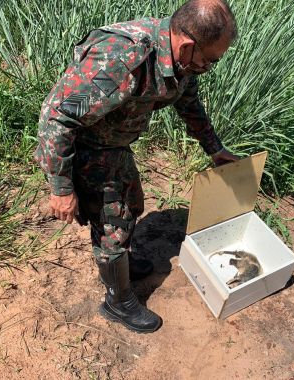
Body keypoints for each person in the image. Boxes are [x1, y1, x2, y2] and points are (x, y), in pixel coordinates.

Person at [35, 0, 239, 333]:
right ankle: (118, 301)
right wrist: (61, 186)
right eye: (211, 59)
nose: (210, 66)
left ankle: (121, 266)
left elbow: (188, 103)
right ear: (187, 45)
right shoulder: (123, 59)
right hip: (85, 148)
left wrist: (215, 150)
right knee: (114, 225)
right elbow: (57, 116)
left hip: (113, 145)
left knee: (130, 208)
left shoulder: (181, 60)